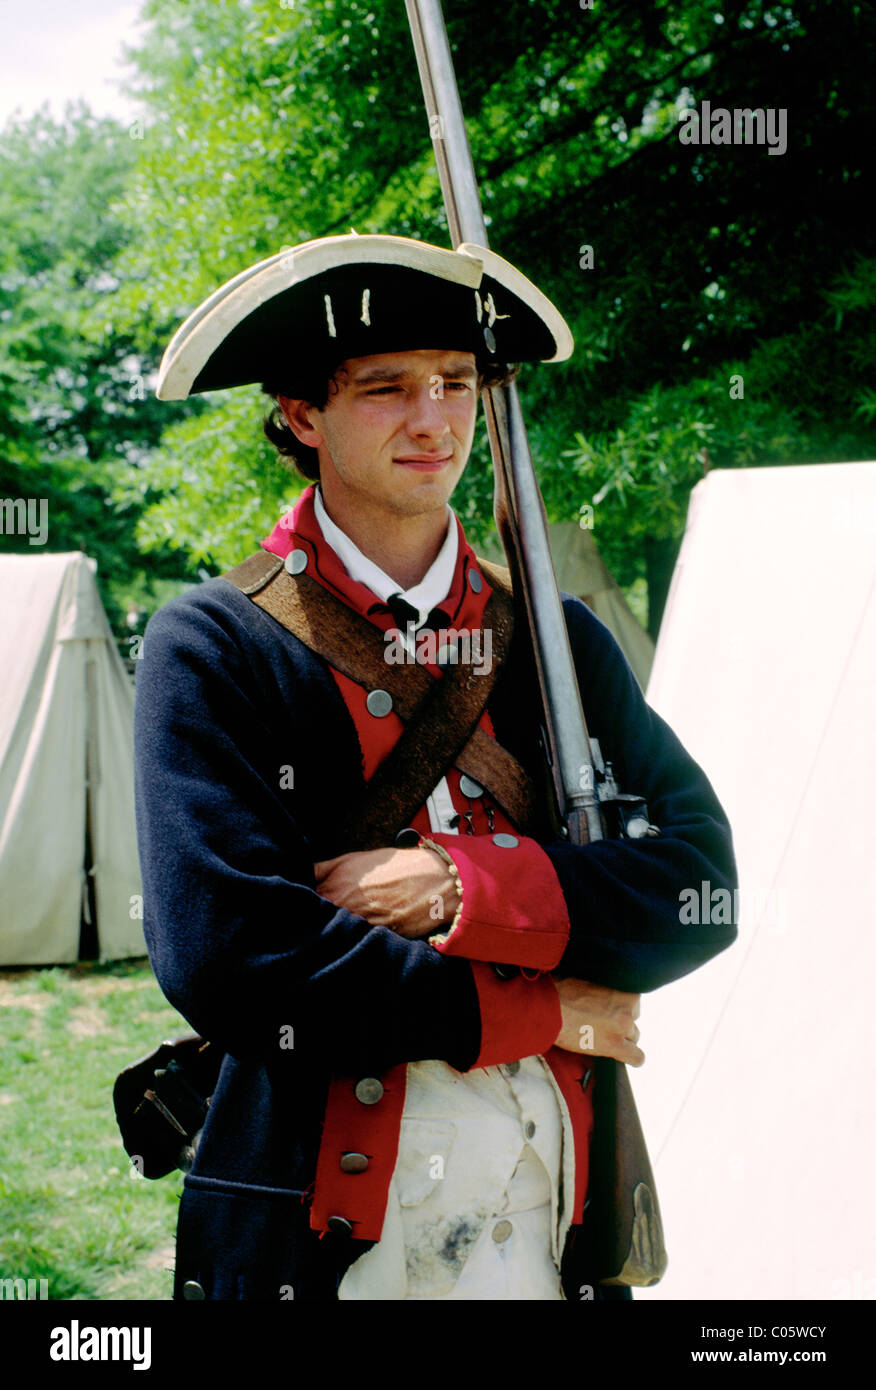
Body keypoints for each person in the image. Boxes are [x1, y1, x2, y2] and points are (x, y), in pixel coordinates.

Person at [134, 233, 737, 1301]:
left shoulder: (555, 641)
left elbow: (699, 888)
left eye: (456, 382)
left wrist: (465, 884)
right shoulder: (212, 643)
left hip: (557, 1212)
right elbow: (234, 957)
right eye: (385, 388)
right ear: (300, 414)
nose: (434, 418)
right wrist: (543, 1010)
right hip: (323, 1223)